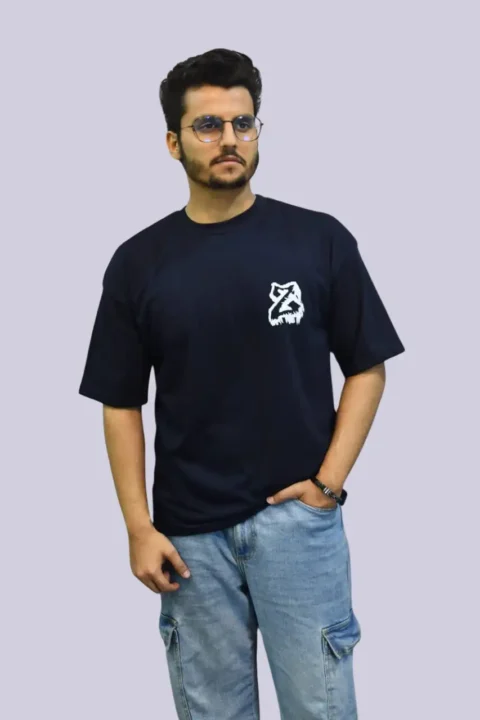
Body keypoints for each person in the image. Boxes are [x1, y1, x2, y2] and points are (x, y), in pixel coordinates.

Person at [78, 48, 405, 719]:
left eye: (243, 122)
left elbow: (367, 367)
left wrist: (326, 488)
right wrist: (138, 527)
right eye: (208, 125)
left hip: (298, 528)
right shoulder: (138, 264)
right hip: (189, 541)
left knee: (321, 709)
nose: (229, 138)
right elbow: (120, 402)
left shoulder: (318, 240)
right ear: (173, 142)